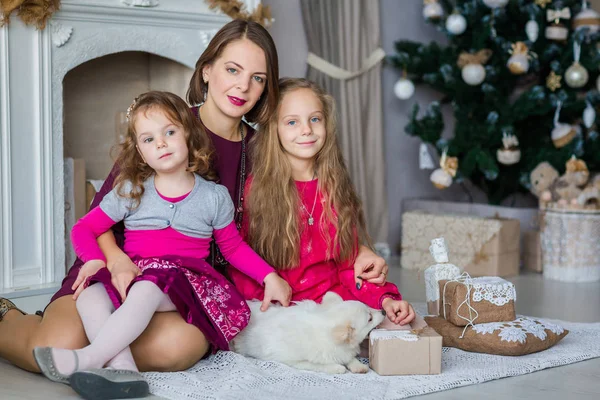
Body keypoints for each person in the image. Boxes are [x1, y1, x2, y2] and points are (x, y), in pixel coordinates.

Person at [0, 19, 388, 376]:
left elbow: (317, 200)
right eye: (232, 70)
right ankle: (10, 318)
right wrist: (116, 262)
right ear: (207, 71)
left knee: (181, 348)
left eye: (257, 78)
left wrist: (362, 249)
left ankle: (97, 359)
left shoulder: (265, 148)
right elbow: (100, 220)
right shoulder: (165, 128)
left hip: (188, 285)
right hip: (118, 265)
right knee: (56, 342)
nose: (242, 87)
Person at [33, 91, 291, 399]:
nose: (161, 143)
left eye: (169, 132)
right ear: (141, 153)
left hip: (185, 281)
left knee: (148, 287)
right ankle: (124, 371)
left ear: (189, 136)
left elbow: (232, 248)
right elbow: (85, 227)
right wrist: (93, 259)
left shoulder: (213, 196)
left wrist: (268, 276)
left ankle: (88, 358)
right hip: (138, 272)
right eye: (148, 139)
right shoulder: (131, 190)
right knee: (90, 296)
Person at [230, 78, 415, 325]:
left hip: (332, 304)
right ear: (274, 129)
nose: (306, 129)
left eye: (315, 119)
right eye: (292, 122)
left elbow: (350, 266)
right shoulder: (258, 189)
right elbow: (242, 263)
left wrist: (385, 300)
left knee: (386, 326)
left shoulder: (335, 185)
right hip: (277, 309)